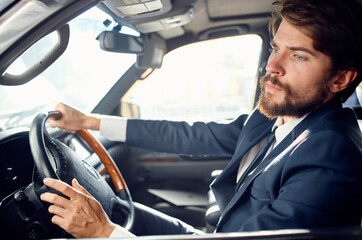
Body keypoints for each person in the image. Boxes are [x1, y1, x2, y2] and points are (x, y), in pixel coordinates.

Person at [41, 0, 362, 238]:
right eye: (275, 48)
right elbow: (194, 134)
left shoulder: (330, 156)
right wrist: (90, 122)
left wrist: (104, 233)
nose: (272, 66)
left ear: (340, 79)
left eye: (298, 55)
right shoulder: (282, 114)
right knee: (120, 209)